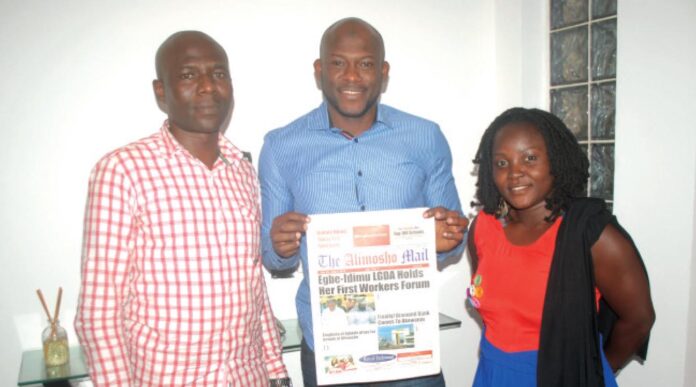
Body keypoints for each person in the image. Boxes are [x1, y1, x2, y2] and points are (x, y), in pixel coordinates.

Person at [259, 17, 468, 387]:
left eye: (365, 63)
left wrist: (446, 237)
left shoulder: (425, 136)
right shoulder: (281, 146)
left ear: (383, 72)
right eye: (338, 63)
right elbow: (274, 257)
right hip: (330, 349)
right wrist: (279, 245)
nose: (352, 76)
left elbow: (453, 237)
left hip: (408, 346)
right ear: (320, 71)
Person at [74, 31, 290, 386]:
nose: (208, 86)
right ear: (161, 91)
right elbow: (99, 312)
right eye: (189, 75)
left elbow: (253, 284)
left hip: (246, 377)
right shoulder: (123, 170)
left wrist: (276, 370)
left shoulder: (242, 170)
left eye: (218, 74)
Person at [467, 107, 655, 386]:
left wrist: (595, 370)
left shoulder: (591, 235)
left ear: (556, 160)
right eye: (502, 163)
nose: (514, 173)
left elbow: (639, 319)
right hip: (494, 373)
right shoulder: (483, 227)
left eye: (530, 158)